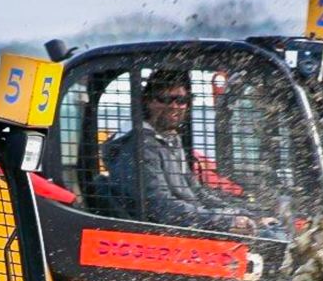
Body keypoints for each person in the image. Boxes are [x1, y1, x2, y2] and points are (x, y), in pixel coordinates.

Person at [103, 69, 276, 234]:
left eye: (181, 100)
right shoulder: (138, 147)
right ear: (147, 100)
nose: (174, 106)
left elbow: (196, 192)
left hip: (184, 225)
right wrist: (225, 221)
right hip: (158, 236)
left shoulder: (170, 139)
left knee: (270, 230)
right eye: (164, 98)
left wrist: (246, 213)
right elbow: (160, 207)